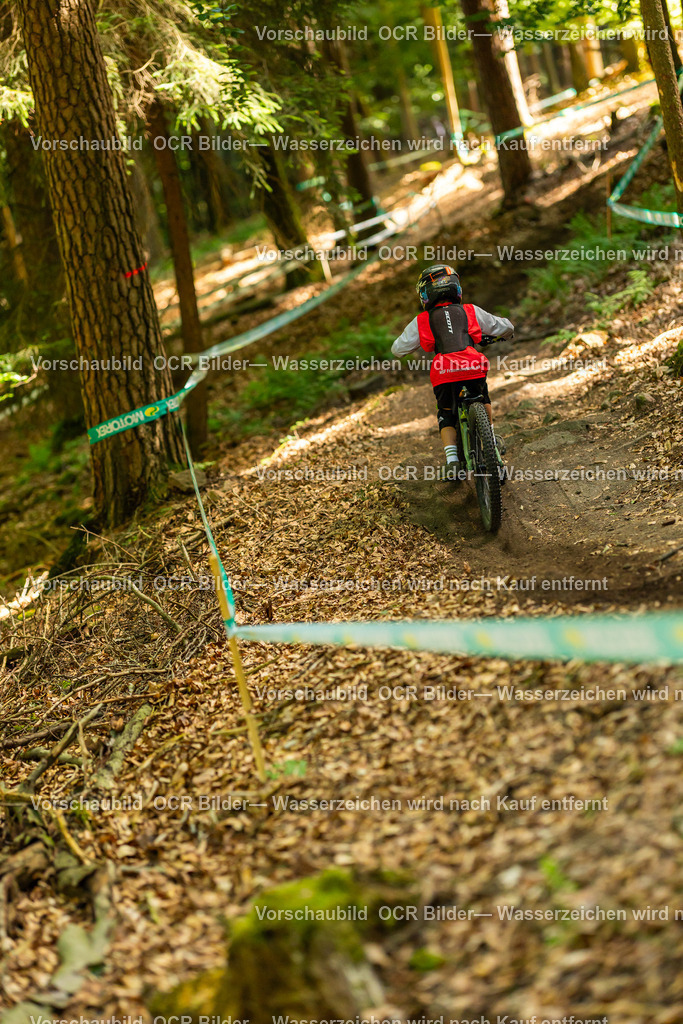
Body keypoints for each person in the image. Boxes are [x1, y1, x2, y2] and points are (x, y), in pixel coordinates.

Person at [391, 264, 514, 475]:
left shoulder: (421, 321)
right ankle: (491, 441)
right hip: (473, 365)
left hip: (444, 371)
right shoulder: (470, 310)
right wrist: (502, 334)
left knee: (446, 411)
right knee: (483, 398)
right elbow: (506, 327)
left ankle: (452, 460)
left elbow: (398, 349)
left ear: (424, 295)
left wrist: (421, 340)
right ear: (456, 288)